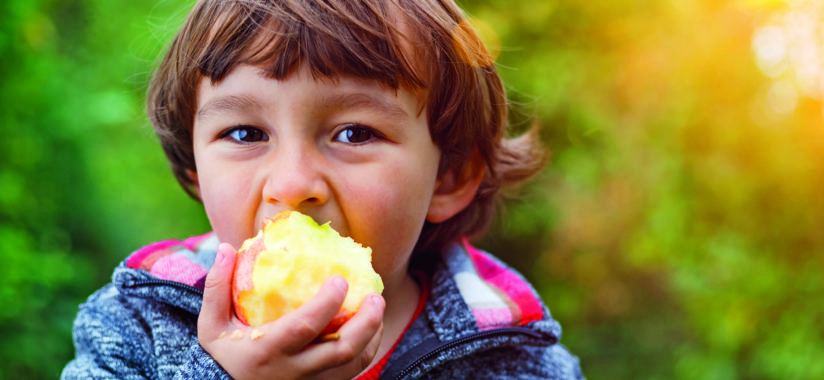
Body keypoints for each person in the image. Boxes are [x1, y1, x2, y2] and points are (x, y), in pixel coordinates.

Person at [62, 0, 585, 378]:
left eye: (354, 134)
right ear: (196, 169)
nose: (292, 186)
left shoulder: (515, 359)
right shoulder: (136, 329)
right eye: (245, 134)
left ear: (448, 177)